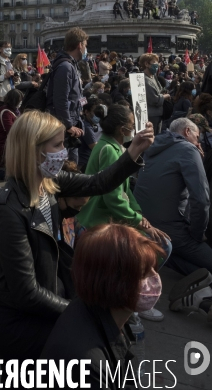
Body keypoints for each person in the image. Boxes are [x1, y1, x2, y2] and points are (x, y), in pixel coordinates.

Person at [0, 110, 154, 361]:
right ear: (34, 150)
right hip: (14, 319)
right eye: (58, 145)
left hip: (47, 295)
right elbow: (26, 292)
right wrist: (84, 314)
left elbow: (98, 183)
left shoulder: (47, 181)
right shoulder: (8, 211)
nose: (64, 151)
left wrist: (134, 150)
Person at [41, 223, 165, 389]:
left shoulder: (99, 311)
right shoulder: (87, 366)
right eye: (143, 274)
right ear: (112, 282)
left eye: (153, 268)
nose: (154, 278)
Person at [77, 104, 170, 321]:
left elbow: (125, 192)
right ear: (122, 129)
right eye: (131, 125)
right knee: (160, 246)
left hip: (110, 216)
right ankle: (135, 296)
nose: (134, 128)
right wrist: (137, 220)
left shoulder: (115, 147)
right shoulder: (109, 149)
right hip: (98, 220)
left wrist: (139, 215)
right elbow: (114, 198)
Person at [135, 118, 212, 277]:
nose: (199, 143)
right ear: (187, 132)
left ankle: (164, 255)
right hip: (170, 228)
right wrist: (197, 234)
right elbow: (201, 200)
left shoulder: (153, 146)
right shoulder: (188, 150)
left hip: (144, 223)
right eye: (197, 138)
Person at [46, 28, 87, 161]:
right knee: (67, 167)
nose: (86, 49)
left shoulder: (72, 65)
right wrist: (68, 125)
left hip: (73, 122)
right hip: (65, 128)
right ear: (80, 45)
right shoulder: (65, 67)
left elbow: (75, 95)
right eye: (85, 45)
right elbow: (61, 99)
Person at [140, 52, 171, 135]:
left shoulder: (153, 76)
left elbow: (160, 90)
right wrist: (165, 96)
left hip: (158, 113)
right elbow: (154, 99)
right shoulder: (145, 79)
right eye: (154, 62)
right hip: (151, 115)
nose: (157, 65)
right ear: (146, 64)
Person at [0, 89, 23, 169]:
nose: (21, 102)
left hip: (13, 143)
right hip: (5, 144)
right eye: (19, 100)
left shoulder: (16, 111)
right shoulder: (5, 112)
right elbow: (10, 130)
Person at [77, 99, 103, 172]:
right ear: (86, 112)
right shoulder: (86, 126)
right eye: (95, 112)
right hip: (84, 164)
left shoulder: (91, 124)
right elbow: (94, 146)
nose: (97, 115)